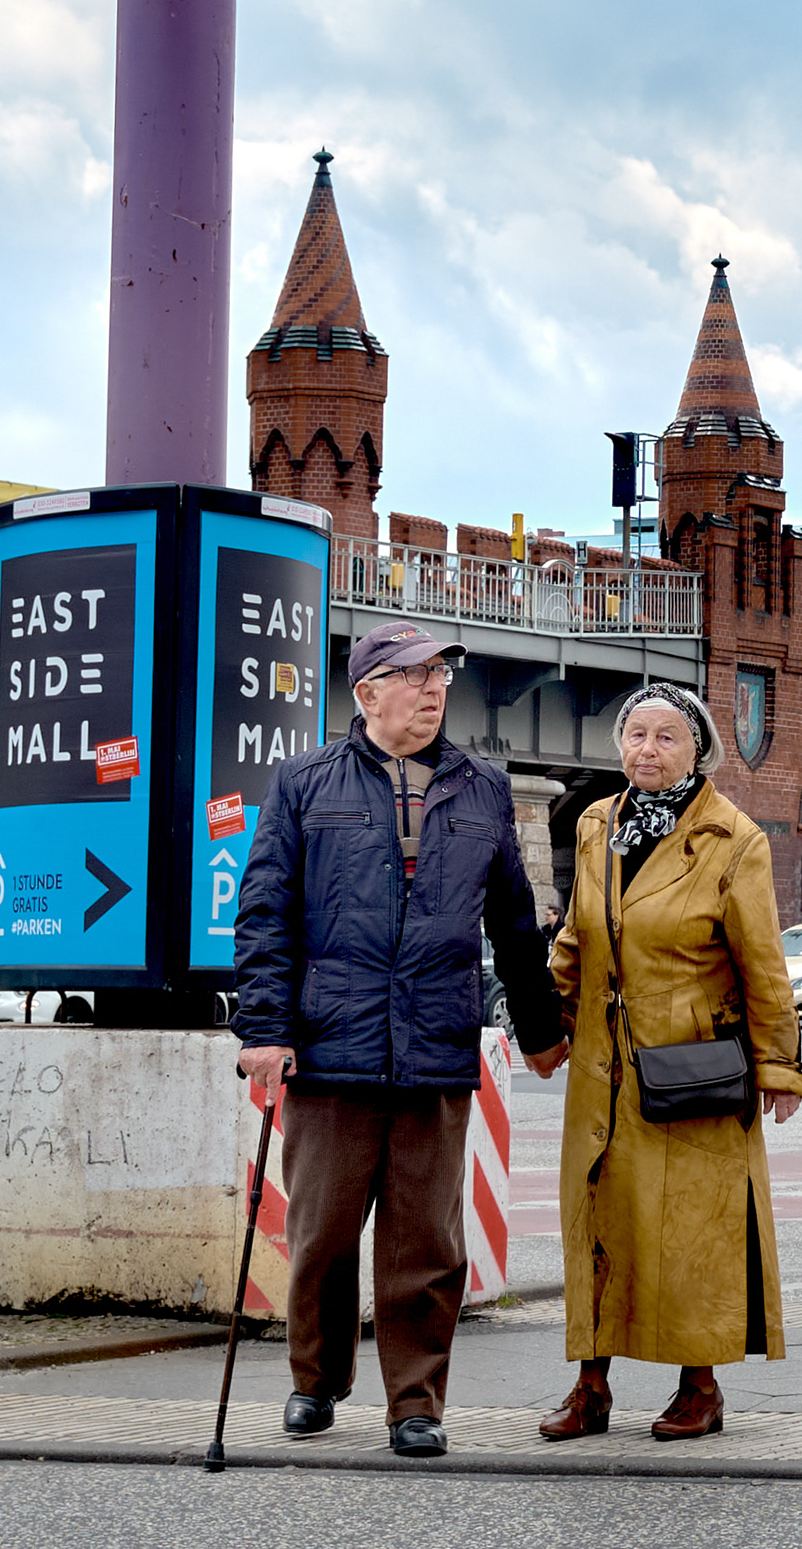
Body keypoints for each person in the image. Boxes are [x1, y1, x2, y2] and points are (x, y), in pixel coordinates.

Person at [234, 619, 566, 1459]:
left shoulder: (483, 789)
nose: (432, 689)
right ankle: (314, 1381)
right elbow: (265, 914)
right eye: (413, 675)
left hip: (434, 1047)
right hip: (330, 1048)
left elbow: (514, 923)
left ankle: (415, 1403)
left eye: (440, 675)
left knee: (427, 1244)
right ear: (368, 692)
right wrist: (265, 1030)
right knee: (322, 1235)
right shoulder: (305, 782)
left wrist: (538, 1028)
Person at [541, 685, 802, 1443]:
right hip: (603, 1064)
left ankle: (700, 1386)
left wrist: (779, 1066)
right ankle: (591, 1385)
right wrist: (549, 1021)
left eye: (667, 737)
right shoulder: (598, 824)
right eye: (636, 734)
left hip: (692, 1063)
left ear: (699, 752)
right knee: (597, 1220)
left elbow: (763, 963)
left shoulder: (734, 838)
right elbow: (577, 936)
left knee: (694, 1232)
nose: (648, 750)